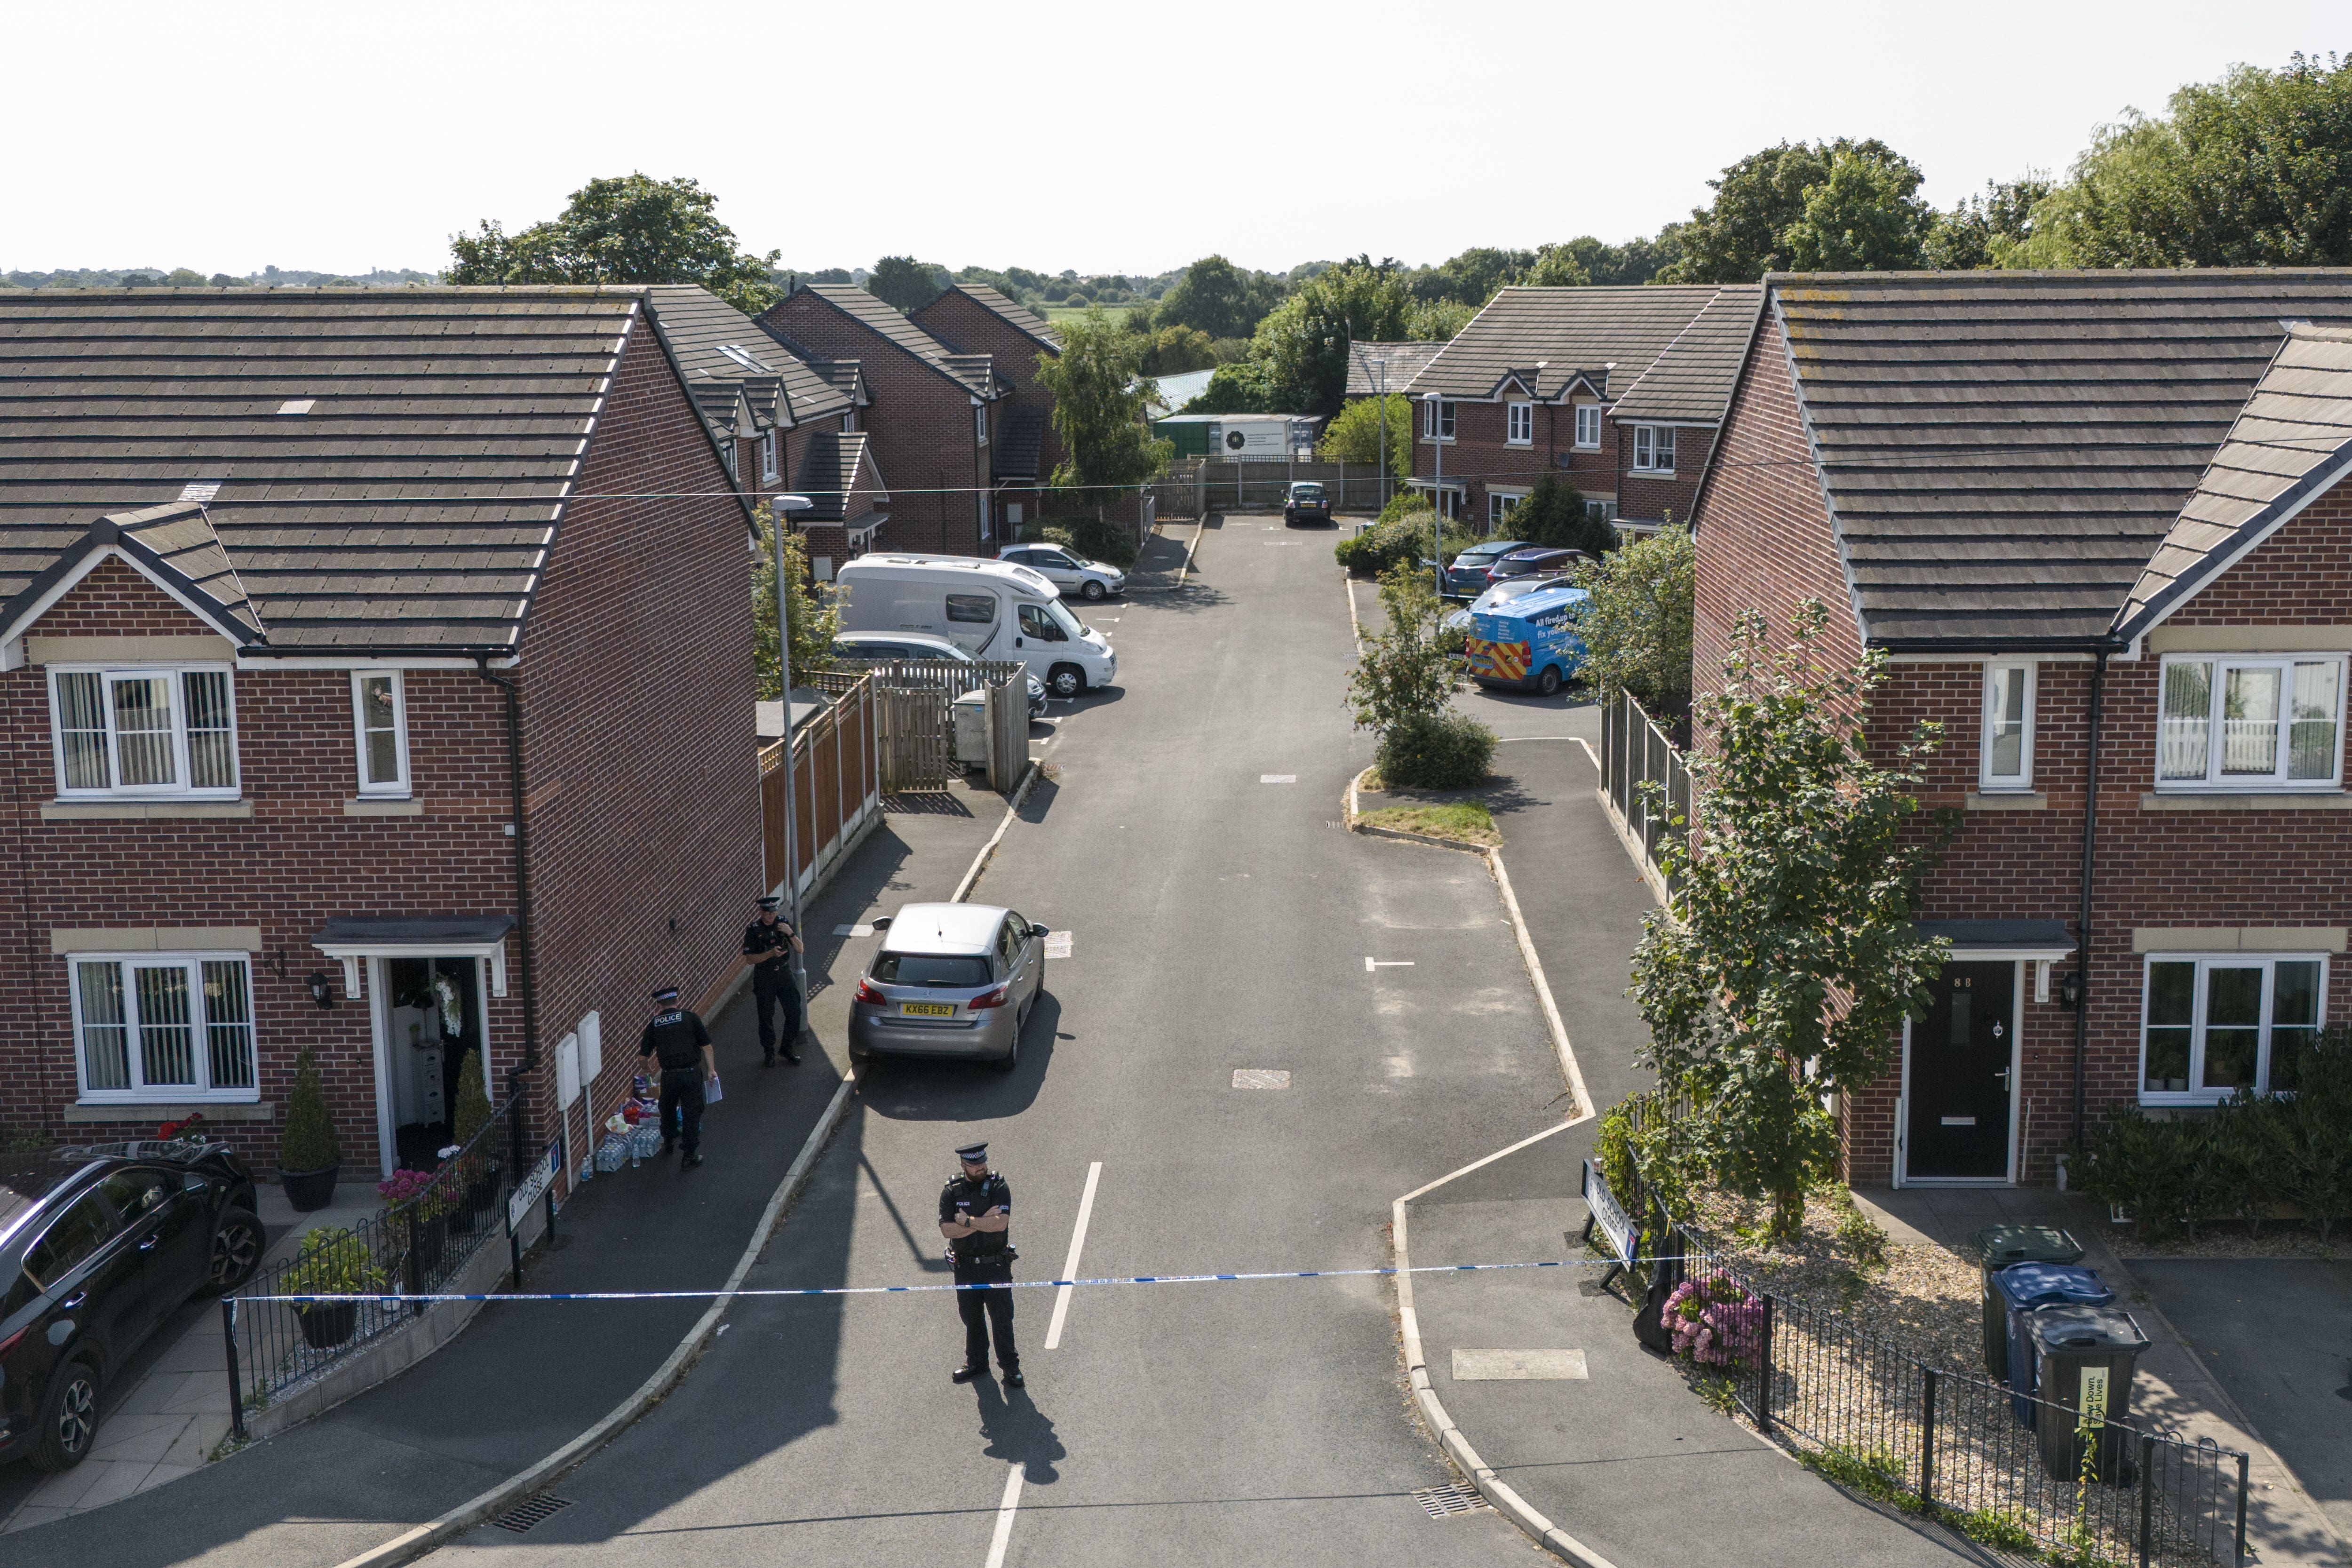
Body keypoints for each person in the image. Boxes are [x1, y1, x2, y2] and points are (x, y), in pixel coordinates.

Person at [938, 1140, 1021, 1387]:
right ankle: (976, 1362)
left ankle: (1010, 1367)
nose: (981, 1167)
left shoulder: (998, 1186)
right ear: (964, 1165)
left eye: (983, 1162)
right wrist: (981, 1221)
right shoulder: (952, 1191)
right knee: (971, 1318)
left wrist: (967, 1222)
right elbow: (946, 1230)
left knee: (1002, 1318)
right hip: (966, 1268)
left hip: (995, 1265)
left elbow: (1000, 1224)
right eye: (975, 1165)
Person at [637, 985, 715, 1169]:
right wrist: (711, 1070)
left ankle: (669, 1141)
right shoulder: (690, 1017)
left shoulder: (654, 1025)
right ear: (677, 1001)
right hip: (690, 1074)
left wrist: (648, 1070)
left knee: (668, 1109)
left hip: (669, 1077)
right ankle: (689, 1156)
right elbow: (707, 1046)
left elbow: (642, 1058)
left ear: (659, 1005)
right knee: (691, 1113)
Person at [739, 895, 805, 1066]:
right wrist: (770, 953)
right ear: (761, 912)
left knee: (794, 1011)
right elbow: (750, 960)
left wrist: (790, 934)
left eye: (773, 912)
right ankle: (769, 1052)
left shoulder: (782, 924)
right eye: (767, 913)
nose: (771, 916)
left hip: (783, 972)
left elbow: (800, 949)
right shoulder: (754, 930)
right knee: (766, 1015)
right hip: (765, 975)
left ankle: (787, 1048)